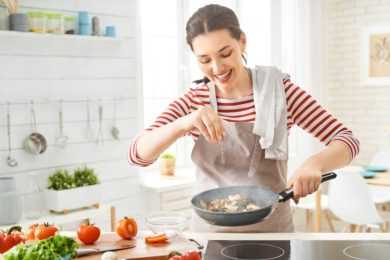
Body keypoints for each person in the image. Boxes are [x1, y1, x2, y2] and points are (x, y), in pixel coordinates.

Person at [129, 4, 359, 232]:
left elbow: (348, 140)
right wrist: (183, 123)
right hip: (209, 236)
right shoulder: (195, 100)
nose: (217, 67)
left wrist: (314, 164)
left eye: (225, 53)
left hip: (272, 233)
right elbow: (137, 154)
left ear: (242, 42)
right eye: (204, 60)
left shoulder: (280, 92)